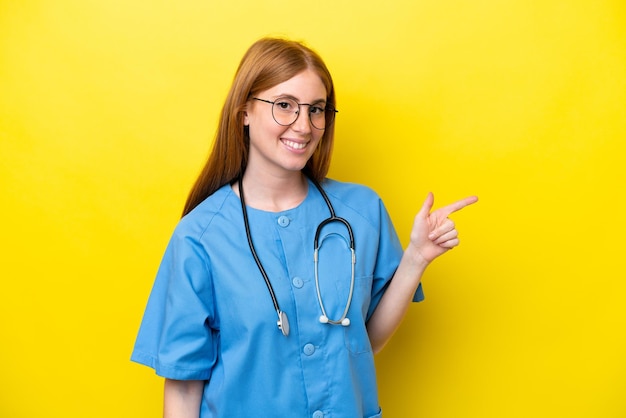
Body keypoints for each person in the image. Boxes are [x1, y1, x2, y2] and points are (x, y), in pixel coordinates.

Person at [131, 37, 478, 418]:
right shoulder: (199, 236)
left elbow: (365, 340)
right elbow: (182, 390)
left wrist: (416, 259)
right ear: (244, 111)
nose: (304, 125)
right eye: (284, 106)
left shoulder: (362, 212)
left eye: (317, 110)